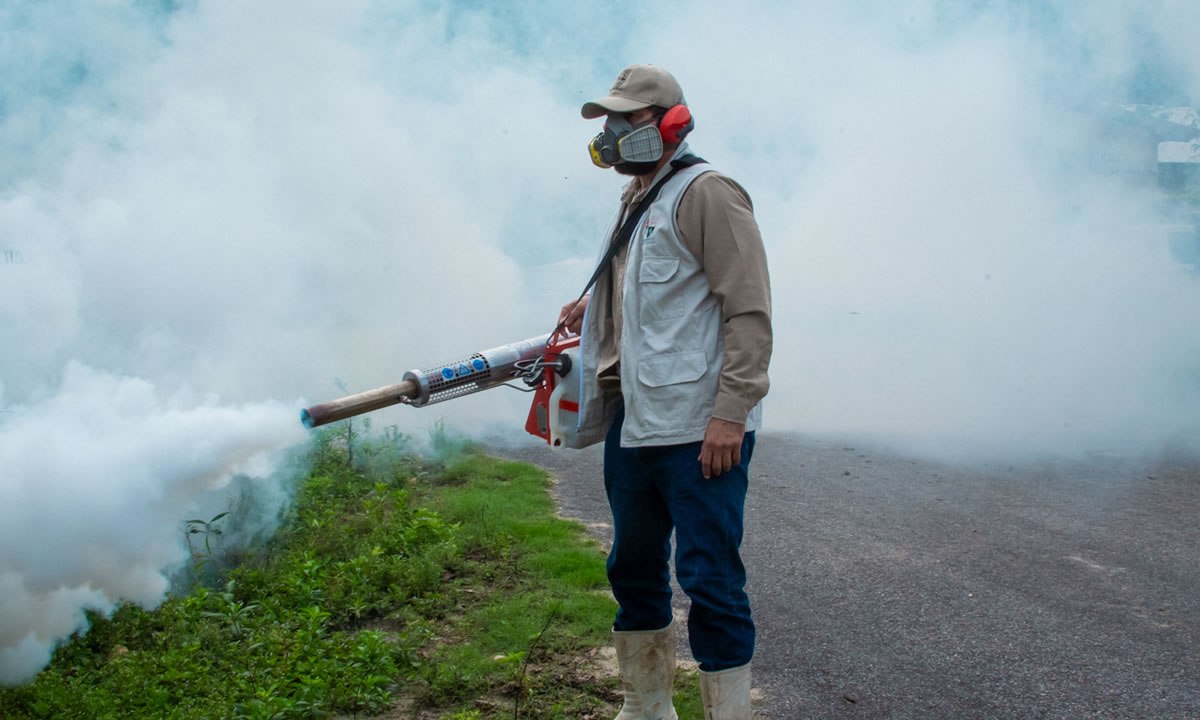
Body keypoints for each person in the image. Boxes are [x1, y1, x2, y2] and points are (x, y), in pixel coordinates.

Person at [558, 64, 772, 720]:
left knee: (710, 581)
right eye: (609, 123)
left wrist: (730, 415)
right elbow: (656, 294)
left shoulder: (709, 193)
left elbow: (749, 311)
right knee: (633, 569)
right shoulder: (637, 198)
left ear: (670, 122)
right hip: (635, 423)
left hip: (698, 431)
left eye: (629, 120)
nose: (614, 134)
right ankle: (647, 708)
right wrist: (591, 308)